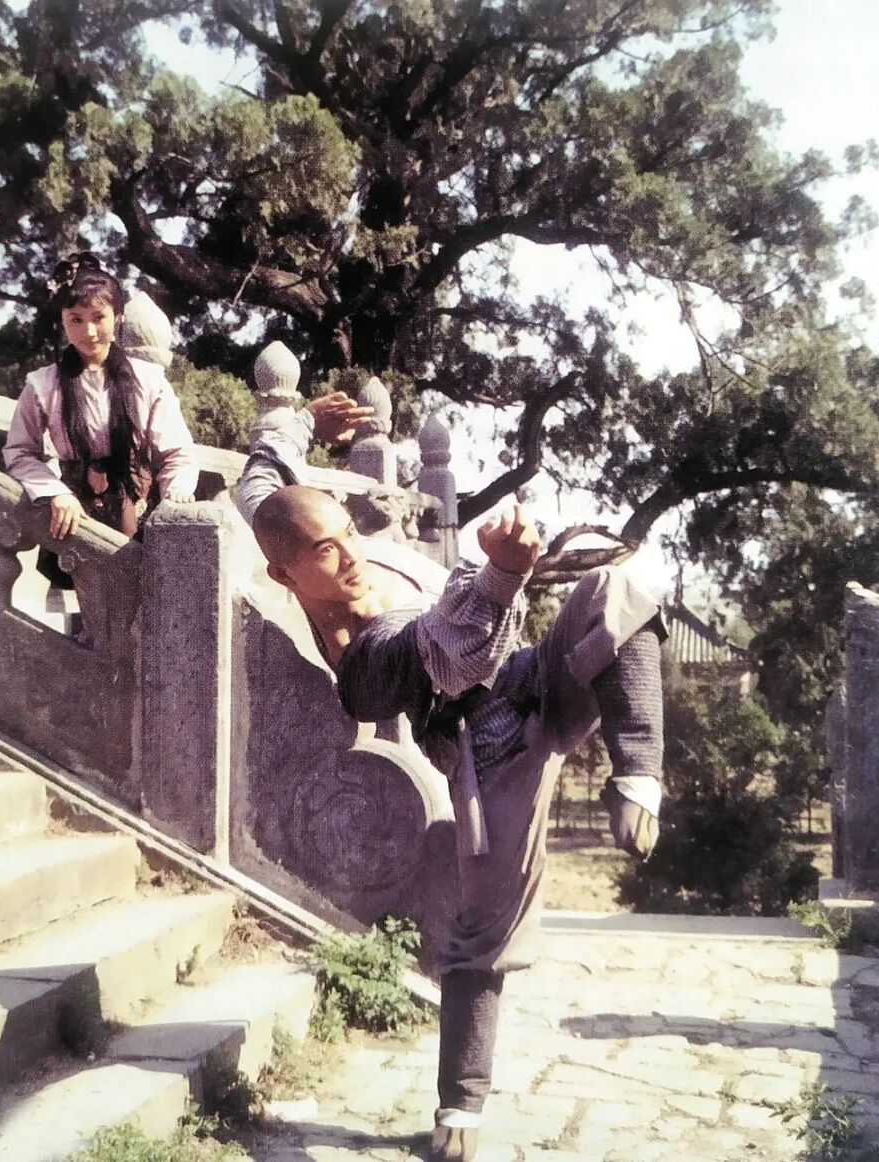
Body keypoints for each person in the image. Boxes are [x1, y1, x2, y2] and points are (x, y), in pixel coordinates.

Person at [236, 344, 665, 1161]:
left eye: (345, 532)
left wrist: (297, 424)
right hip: (490, 760)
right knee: (478, 935)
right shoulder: (363, 659)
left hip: (539, 682)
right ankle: (460, 1106)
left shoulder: (335, 545)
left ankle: (638, 775)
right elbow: (449, 654)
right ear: (285, 576)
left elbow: (260, 487)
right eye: (324, 551)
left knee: (619, 587)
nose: (350, 553)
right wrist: (501, 578)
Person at [4, 254, 197, 642]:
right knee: (86, 624)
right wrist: (54, 492)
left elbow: (176, 452)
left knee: (139, 623)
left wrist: (176, 492)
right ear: (63, 321)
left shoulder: (148, 380)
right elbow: (20, 451)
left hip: (137, 507)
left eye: (99, 317)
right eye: (76, 319)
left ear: (118, 317)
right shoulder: (43, 384)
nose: (89, 331)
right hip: (76, 513)